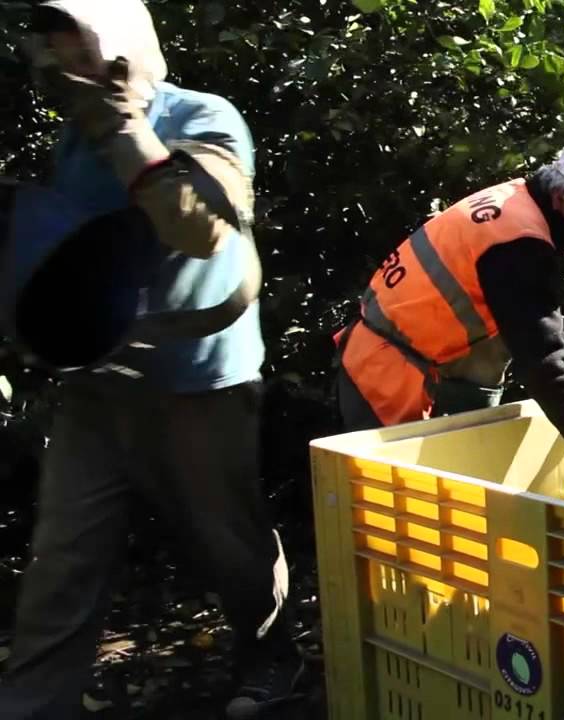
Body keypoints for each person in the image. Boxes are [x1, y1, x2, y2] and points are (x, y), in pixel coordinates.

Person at [1, 1, 302, 718]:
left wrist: (124, 125)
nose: (52, 51)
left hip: (197, 382)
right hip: (98, 386)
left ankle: (274, 659)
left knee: (229, 541)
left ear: (114, 40)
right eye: (46, 38)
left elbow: (198, 229)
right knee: (63, 557)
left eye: (67, 32)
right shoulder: (75, 138)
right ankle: (31, 705)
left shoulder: (203, 117)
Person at [333, 145, 564, 498]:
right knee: (391, 509)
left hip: (411, 362)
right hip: (386, 376)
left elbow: (531, 318)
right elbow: (539, 361)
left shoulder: (516, 207)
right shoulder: (516, 244)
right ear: (560, 198)